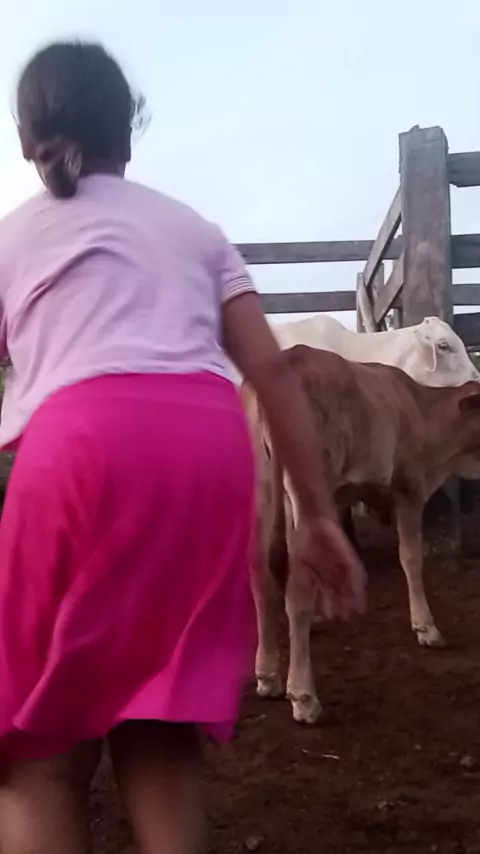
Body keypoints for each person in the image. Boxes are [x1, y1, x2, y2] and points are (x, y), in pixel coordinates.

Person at [0, 41, 366, 854]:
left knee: (39, 758)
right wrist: (316, 515)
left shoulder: (12, 237)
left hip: (77, 448)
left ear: (27, 140)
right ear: (128, 132)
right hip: (206, 454)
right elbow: (270, 373)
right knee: (160, 731)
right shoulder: (194, 230)